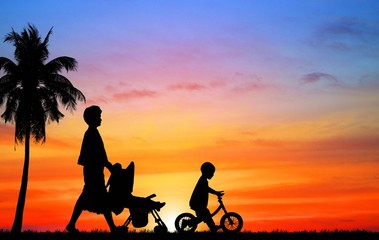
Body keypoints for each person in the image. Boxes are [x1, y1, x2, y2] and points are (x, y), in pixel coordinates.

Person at [66, 105, 119, 233]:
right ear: (92, 118)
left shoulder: (92, 133)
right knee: (97, 198)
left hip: (94, 170)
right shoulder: (91, 134)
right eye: (99, 117)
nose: (101, 119)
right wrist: (108, 166)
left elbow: (99, 154)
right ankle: (112, 228)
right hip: (93, 171)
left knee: (92, 198)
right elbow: (97, 155)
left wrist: (107, 165)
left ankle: (72, 224)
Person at [189, 162, 224, 232]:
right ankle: (188, 223)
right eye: (212, 172)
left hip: (198, 203)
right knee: (205, 215)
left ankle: (213, 227)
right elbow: (207, 189)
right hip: (196, 203)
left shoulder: (203, 180)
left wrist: (216, 193)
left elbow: (206, 189)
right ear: (207, 172)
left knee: (205, 215)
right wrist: (216, 193)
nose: (213, 175)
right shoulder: (203, 181)